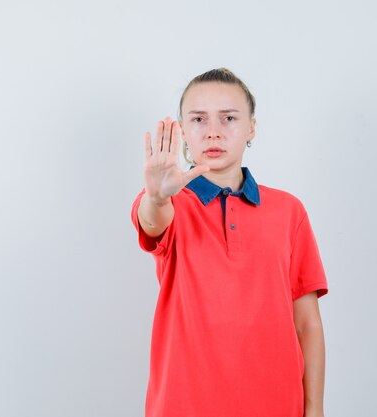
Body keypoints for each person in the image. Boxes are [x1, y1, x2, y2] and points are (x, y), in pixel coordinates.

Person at [130, 68, 329, 417]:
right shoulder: (171, 204)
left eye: (229, 118)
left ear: (251, 127)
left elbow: (307, 325)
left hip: (278, 405)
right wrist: (157, 197)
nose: (213, 132)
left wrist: (314, 410)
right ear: (182, 128)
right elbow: (151, 221)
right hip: (183, 406)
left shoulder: (288, 211)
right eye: (199, 119)